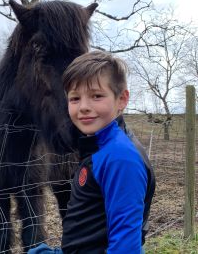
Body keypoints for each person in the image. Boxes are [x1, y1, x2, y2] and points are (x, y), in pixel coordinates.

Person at [28, 51, 155, 254]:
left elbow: (125, 248)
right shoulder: (98, 147)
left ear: (122, 99)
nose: (84, 107)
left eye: (96, 96)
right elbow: (93, 231)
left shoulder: (120, 158)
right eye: (75, 98)